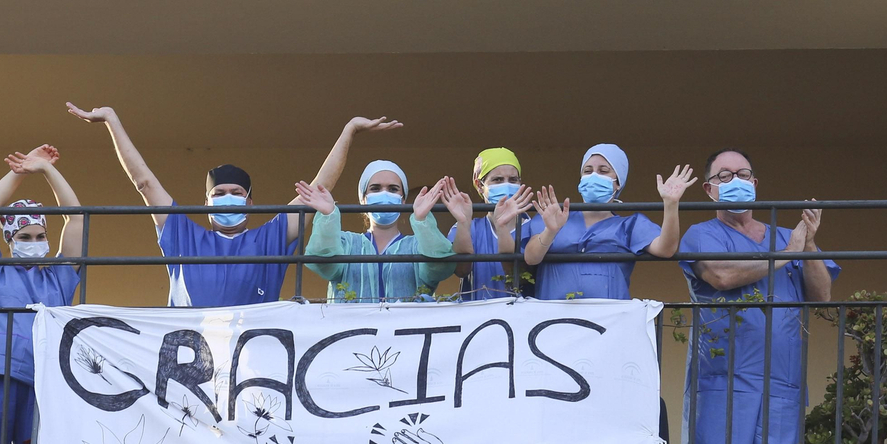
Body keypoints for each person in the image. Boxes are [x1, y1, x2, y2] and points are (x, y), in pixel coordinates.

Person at [67, 102, 402, 306]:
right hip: (191, 355)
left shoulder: (269, 239)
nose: (228, 199)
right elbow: (144, 183)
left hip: (252, 358)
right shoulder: (183, 235)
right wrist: (112, 120)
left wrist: (349, 131)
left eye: (237, 194)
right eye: (219, 194)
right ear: (206, 202)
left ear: (250, 201)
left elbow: (319, 191)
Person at [679, 147, 839, 444]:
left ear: (754, 184)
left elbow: (821, 296)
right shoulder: (701, 234)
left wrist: (807, 246)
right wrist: (783, 256)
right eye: (725, 176)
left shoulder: (787, 237)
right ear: (709, 190)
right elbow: (722, 275)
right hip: (723, 385)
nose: (736, 180)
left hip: (782, 383)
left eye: (743, 175)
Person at [0, 144, 81, 444]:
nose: (34, 241)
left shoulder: (58, 278)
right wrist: (19, 171)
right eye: (24, 236)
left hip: (45, 381)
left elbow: (76, 217)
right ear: (9, 239)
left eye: (41, 235)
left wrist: (46, 169)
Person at [521, 143, 695, 300]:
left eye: (604, 171)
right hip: (552, 319)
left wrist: (671, 204)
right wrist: (550, 231)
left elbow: (665, 249)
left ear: (618, 183)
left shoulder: (630, 225)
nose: (594, 176)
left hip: (608, 323)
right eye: (588, 171)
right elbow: (531, 258)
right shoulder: (554, 216)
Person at [295, 162, 459, 302]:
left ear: (403, 200)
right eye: (375, 188)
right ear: (363, 199)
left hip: (407, 337)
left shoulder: (417, 245)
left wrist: (422, 221)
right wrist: (328, 217)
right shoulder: (346, 243)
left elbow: (440, 268)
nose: (384, 194)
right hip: (353, 336)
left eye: (393, 189)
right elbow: (322, 264)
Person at [449, 147, 536, 300]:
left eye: (513, 180)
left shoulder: (534, 227)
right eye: (497, 180)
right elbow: (460, 271)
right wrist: (463, 223)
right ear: (480, 185)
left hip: (525, 320)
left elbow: (521, 277)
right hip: (478, 319)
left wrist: (502, 228)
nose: (507, 185)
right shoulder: (471, 228)